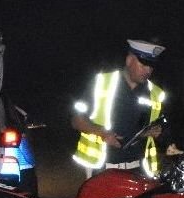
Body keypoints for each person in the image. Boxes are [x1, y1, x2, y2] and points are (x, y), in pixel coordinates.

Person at [71, 39, 168, 178]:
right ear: (129, 60)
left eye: (151, 66)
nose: (148, 70)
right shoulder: (102, 83)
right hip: (103, 170)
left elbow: (153, 130)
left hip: (139, 171)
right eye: (144, 64)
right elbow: (76, 120)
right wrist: (102, 133)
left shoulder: (155, 93)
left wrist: (156, 132)